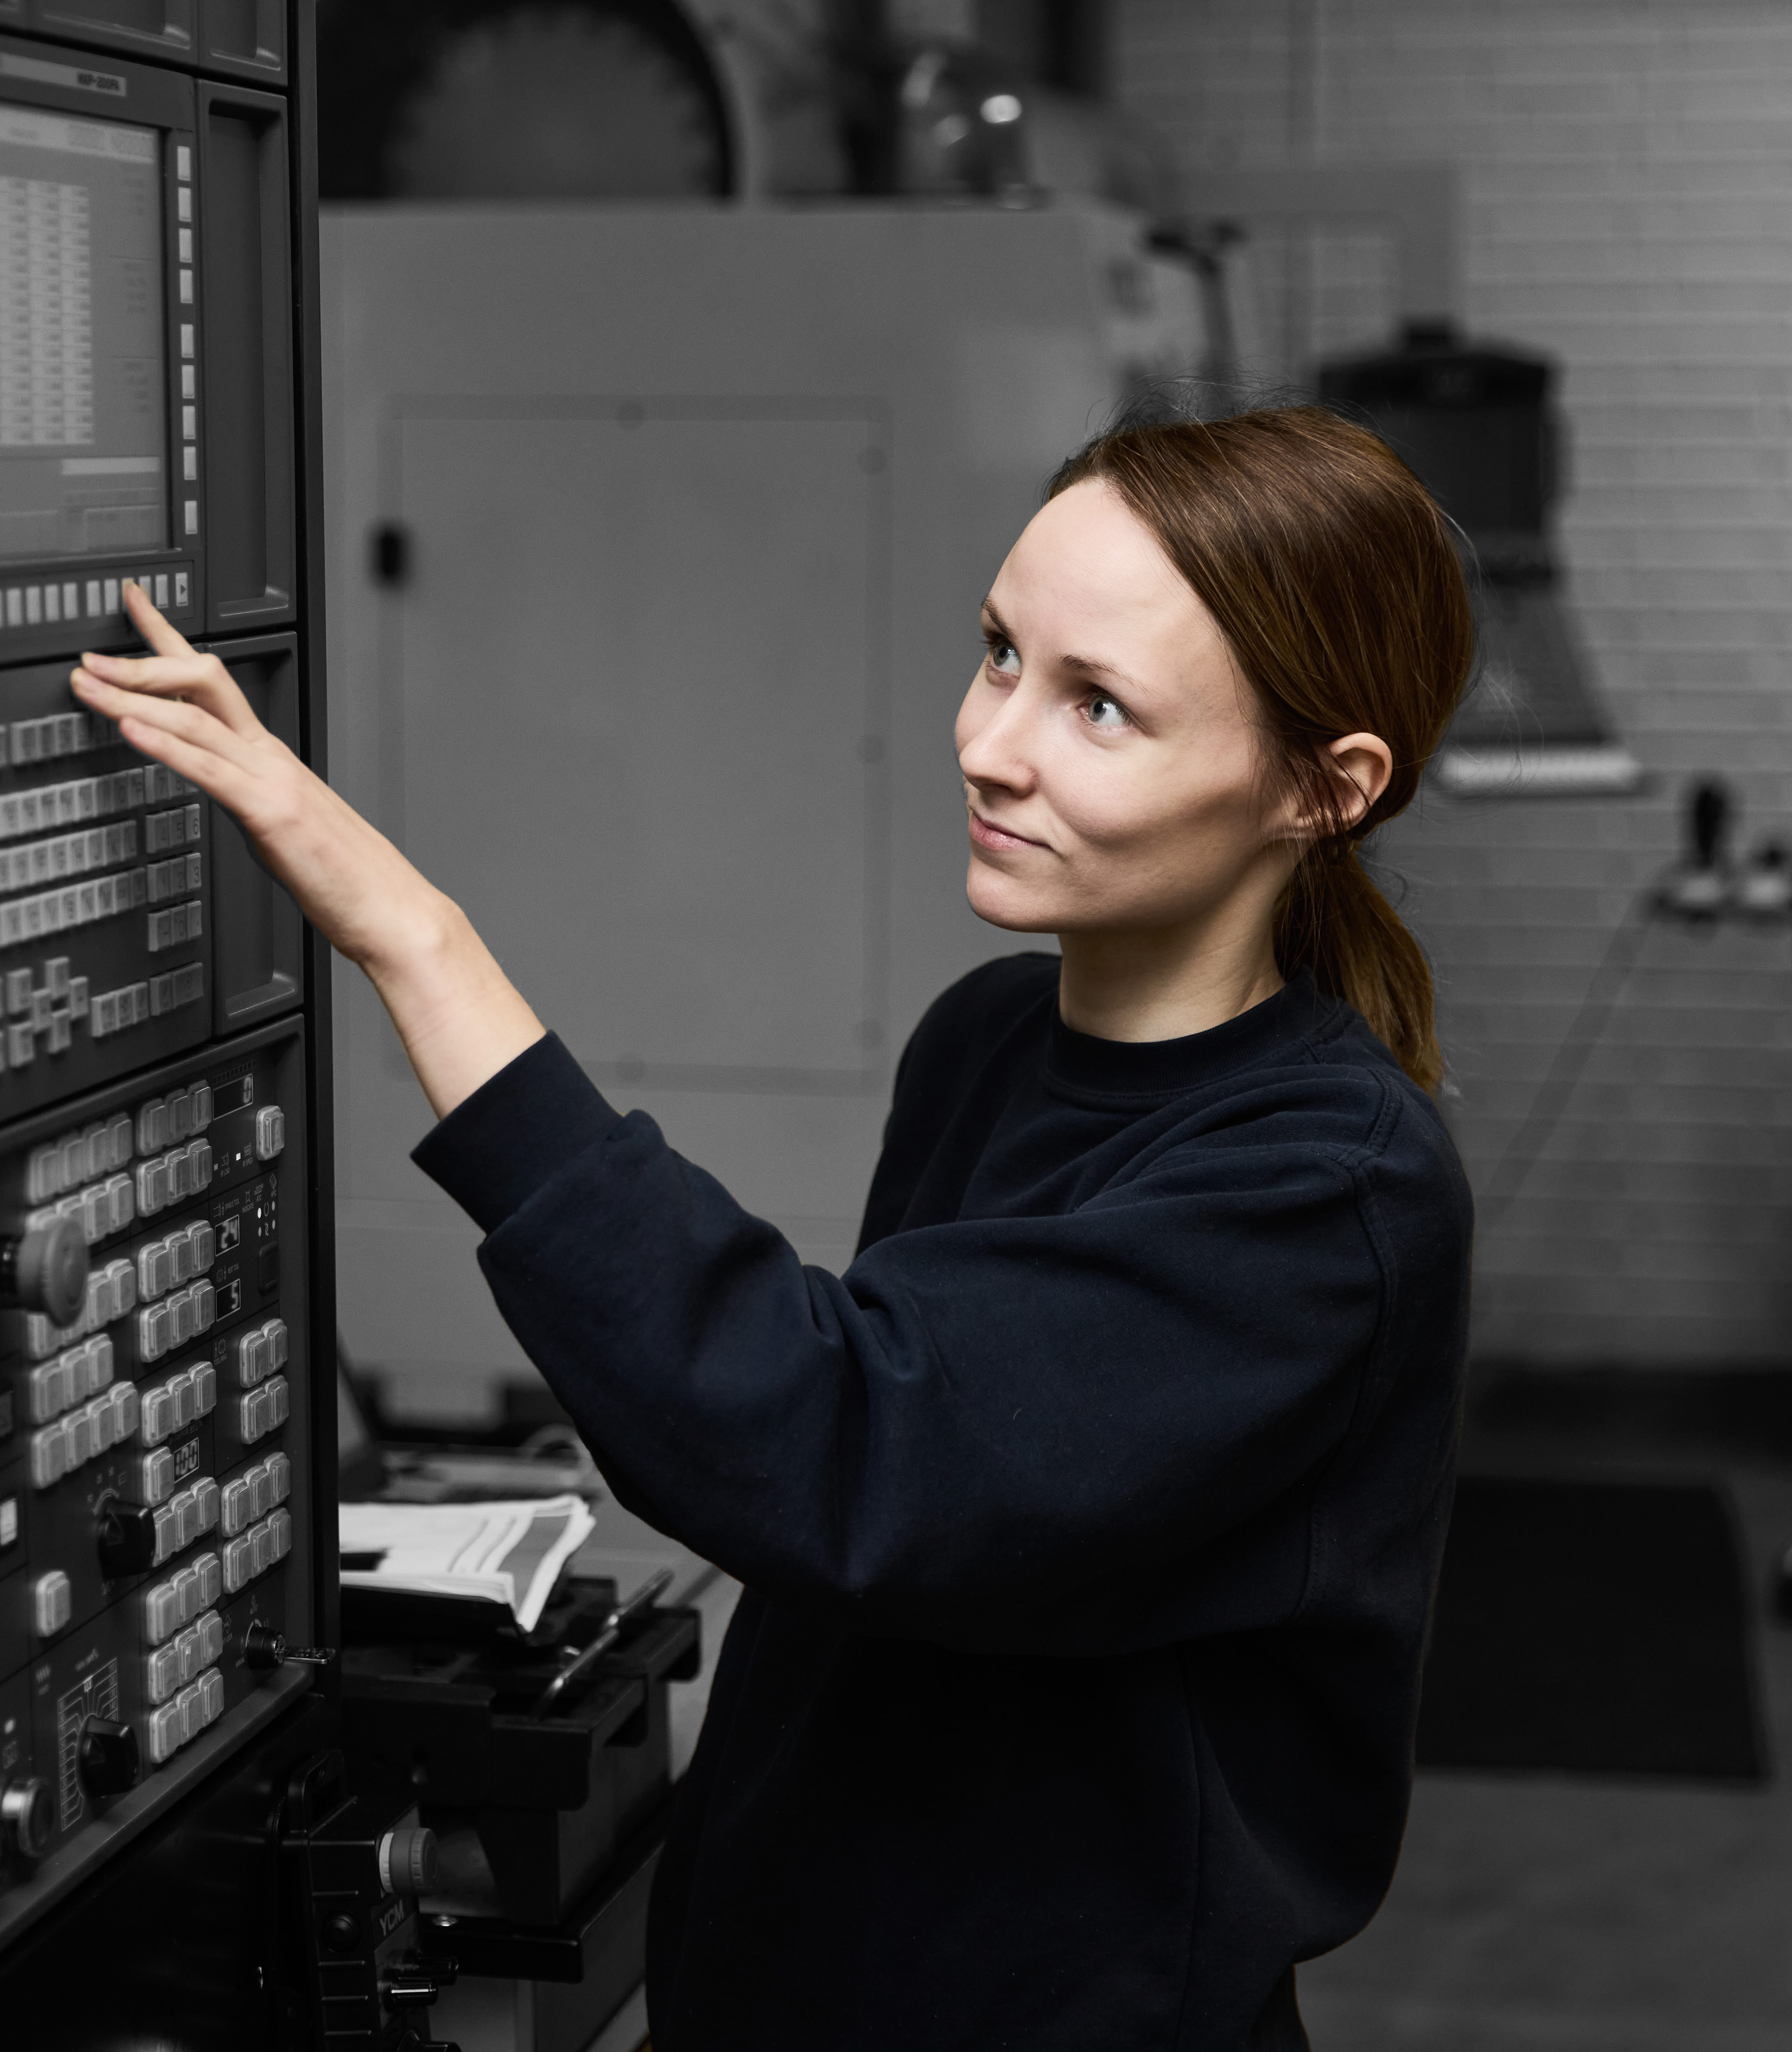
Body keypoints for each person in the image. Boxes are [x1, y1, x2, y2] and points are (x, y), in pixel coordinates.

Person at [72, 403, 1476, 2050]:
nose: (991, 741)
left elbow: (836, 1443)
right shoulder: (986, 1044)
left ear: (1322, 788)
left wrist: (415, 942)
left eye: (1098, 707)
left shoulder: (1325, 1190)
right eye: (999, 654)